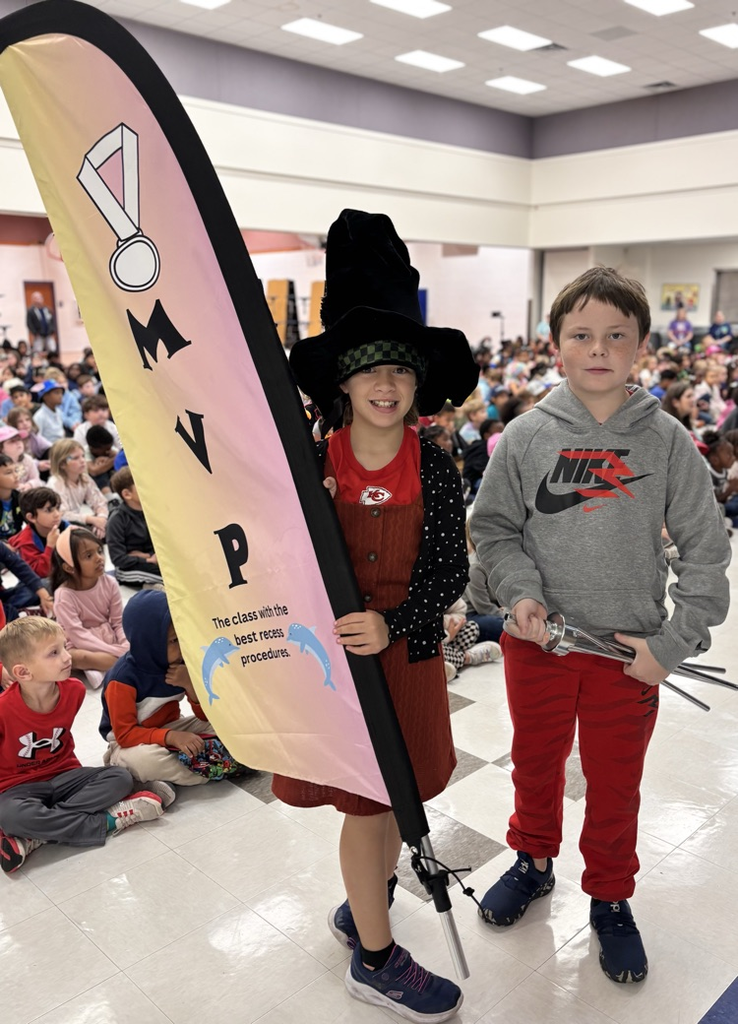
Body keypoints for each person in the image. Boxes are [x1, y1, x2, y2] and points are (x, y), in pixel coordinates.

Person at [471, 266, 731, 985]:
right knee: (534, 761)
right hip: (540, 647)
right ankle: (532, 860)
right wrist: (517, 594)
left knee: (616, 784)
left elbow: (708, 550)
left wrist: (673, 645)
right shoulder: (525, 437)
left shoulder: (668, 442)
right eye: (581, 334)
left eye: (616, 336)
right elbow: (493, 532)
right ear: (555, 345)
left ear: (642, 345)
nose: (598, 348)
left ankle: (611, 898)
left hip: (631, 656)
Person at [278, 209, 478, 1021]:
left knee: (396, 801)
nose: (386, 384)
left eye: (399, 368)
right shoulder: (307, 461)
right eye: (368, 370)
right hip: (335, 667)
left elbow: (449, 568)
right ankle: (374, 955)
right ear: (344, 383)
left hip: (406, 657)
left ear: (418, 380)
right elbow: (272, 567)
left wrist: (396, 623)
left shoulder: (433, 461)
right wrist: (306, 524)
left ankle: (363, 899)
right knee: (368, 805)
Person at [0, 616, 165, 873]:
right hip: (17, 787)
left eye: (64, 647)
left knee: (119, 778)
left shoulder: (74, 690)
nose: (67, 657)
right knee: (10, 816)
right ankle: (107, 821)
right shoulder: (3, 711)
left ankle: (36, 835)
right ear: (22, 672)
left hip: (66, 776)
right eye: (54, 653)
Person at [99, 589, 214, 791]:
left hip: (172, 728)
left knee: (223, 723)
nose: (182, 646)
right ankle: (206, 772)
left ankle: (177, 771)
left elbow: (205, 716)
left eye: (182, 637)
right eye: (173, 641)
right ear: (149, 642)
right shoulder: (122, 679)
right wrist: (172, 738)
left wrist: (190, 684)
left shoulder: (182, 663)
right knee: (145, 761)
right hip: (130, 744)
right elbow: (125, 735)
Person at [51, 526, 128, 688]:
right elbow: (78, 635)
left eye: (99, 550)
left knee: (138, 629)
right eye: (88, 555)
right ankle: (122, 663)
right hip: (77, 642)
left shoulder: (110, 583)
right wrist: (118, 651)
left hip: (104, 635)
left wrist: (125, 643)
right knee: (78, 657)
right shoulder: (64, 595)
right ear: (69, 567)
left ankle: (108, 666)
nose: (99, 558)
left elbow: (119, 622)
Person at [106, 467, 163, 587]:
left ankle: (151, 585)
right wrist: (147, 559)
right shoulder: (117, 519)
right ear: (127, 494)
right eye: (141, 485)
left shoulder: (152, 511)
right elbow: (118, 559)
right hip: (128, 569)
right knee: (170, 578)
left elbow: (162, 541)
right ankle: (152, 586)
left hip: (153, 559)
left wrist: (148, 555)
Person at [48, 439, 108, 539]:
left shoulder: (84, 478)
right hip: (62, 525)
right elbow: (62, 514)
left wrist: (101, 519)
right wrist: (91, 519)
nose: (82, 461)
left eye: (83, 456)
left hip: (80, 520)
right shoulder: (56, 483)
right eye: (75, 458)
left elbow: (100, 502)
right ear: (62, 464)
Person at [9, 487, 69, 578]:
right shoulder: (26, 541)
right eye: (48, 510)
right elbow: (40, 573)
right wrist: (50, 546)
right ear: (31, 517)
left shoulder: (65, 526)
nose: (57, 514)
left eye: (57, 508)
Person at [0, 425, 40, 491]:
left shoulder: (27, 459)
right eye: (12, 441)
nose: (18, 443)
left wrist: (30, 484)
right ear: (1, 448)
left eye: (19, 439)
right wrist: (17, 487)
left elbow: (36, 479)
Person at [32, 379, 65, 445]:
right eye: (56, 393)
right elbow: (37, 440)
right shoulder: (39, 416)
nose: (60, 396)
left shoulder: (59, 411)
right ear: (45, 396)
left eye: (61, 393)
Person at [0, 454, 23, 542]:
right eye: (9, 472)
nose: (16, 475)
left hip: (16, 541)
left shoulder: (20, 498)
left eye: (16, 470)